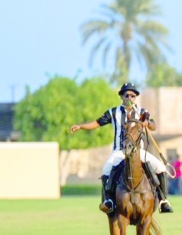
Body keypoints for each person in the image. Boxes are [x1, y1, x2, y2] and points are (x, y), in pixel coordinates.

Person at [69, 82, 173, 214]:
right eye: (127, 95)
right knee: (106, 169)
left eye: (133, 95)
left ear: (135, 97)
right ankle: (109, 201)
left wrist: (146, 123)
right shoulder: (113, 112)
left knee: (161, 167)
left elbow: (153, 126)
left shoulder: (142, 112)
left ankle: (163, 201)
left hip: (138, 152)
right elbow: (97, 123)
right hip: (120, 151)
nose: (130, 98)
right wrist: (81, 126)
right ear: (122, 96)